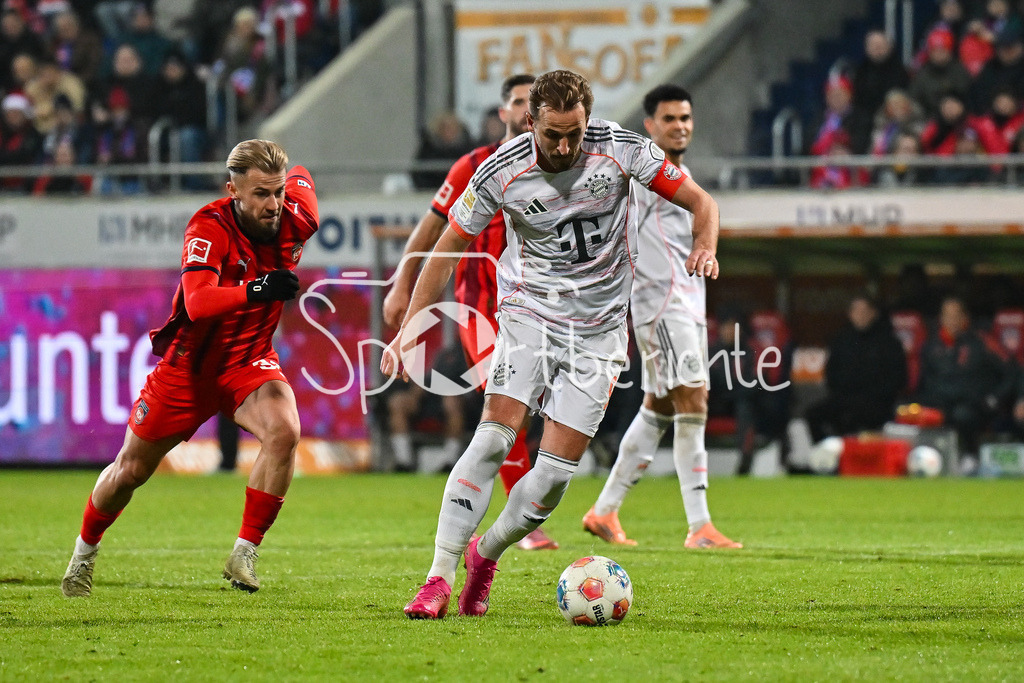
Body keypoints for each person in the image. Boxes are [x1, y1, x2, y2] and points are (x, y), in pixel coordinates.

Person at [382, 69, 720, 619]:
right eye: (552, 134)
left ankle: (484, 554)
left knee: (553, 482)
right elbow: (445, 250)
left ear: (588, 120)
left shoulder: (622, 149)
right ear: (529, 121)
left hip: (600, 331)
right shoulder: (499, 170)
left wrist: (705, 243)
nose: (564, 146)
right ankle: (437, 578)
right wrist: (406, 331)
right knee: (493, 439)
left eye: (575, 133)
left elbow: (702, 203)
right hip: (529, 315)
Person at [61, 139, 319, 597]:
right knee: (131, 471)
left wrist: (287, 178)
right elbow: (198, 302)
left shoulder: (298, 216)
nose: (274, 204)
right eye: (260, 193)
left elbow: (301, 173)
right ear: (233, 191)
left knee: (285, 431)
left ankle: (244, 552)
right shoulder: (209, 225)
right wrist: (258, 289)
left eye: (278, 192)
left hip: (248, 361)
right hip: (188, 370)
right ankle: (84, 553)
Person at [382, 74, 558, 551]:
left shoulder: (556, 167)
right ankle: (524, 524)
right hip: (480, 311)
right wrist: (402, 284)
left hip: (539, 311)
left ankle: (527, 512)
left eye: (532, 105)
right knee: (507, 408)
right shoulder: (474, 166)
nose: (525, 112)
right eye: (518, 103)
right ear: (503, 112)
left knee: (539, 409)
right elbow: (431, 229)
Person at [581, 84, 740, 550]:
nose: (680, 126)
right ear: (649, 126)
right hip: (661, 307)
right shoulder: (644, 171)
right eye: (669, 118)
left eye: (685, 118)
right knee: (695, 402)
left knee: (660, 407)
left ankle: (604, 511)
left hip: (687, 305)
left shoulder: (679, 175)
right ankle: (700, 526)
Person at [916, 295, 1014, 464]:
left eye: (956, 316)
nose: (951, 320)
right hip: (941, 404)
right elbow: (924, 382)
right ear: (941, 319)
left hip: (976, 405)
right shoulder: (931, 346)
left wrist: (994, 398)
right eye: (947, 316)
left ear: (965, 318)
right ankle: (931, 459)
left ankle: (969, 457)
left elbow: (1012, 372)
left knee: (962, 415)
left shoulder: (982, 341)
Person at [805, 295, 908, 443]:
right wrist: (841, 392)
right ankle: (828, 456)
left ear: (874, 313)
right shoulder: (841, 339)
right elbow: (831, 373)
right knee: (813, 415)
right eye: (856, 311)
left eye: (864, 311)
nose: (860, 315)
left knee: (852, 417)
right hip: (844, 398)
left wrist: (874, 393)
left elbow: (898, 379)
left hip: (876, 401)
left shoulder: (889, 342)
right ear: (850, 314)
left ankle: (855, 459)